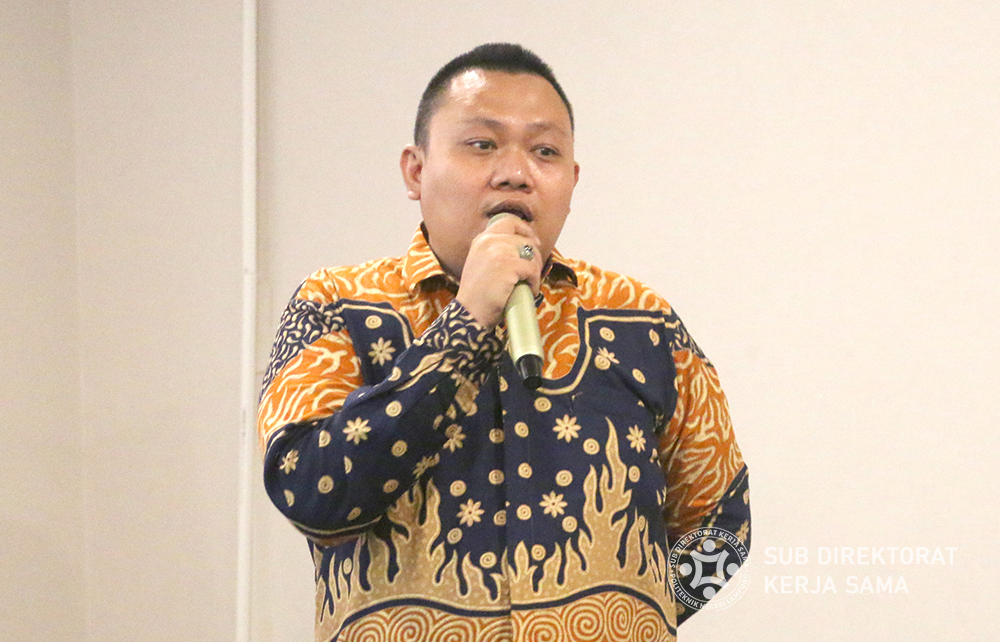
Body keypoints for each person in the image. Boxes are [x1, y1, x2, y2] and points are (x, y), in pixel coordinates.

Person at [259, 43, 750, 641]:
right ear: (416, 170)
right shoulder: (334, 304)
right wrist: (465, 322)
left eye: (545, 151)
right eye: (482, 144)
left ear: (572, 180)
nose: (516, 172)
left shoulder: (642, 320)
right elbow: (308, 492)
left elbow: (723, 524)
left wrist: (632, 618)